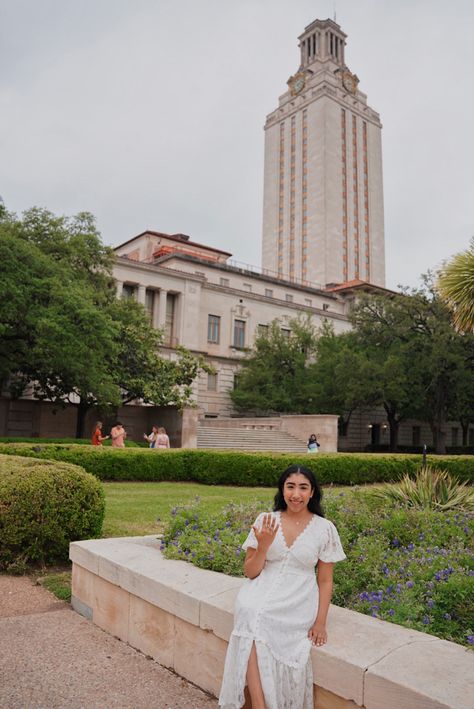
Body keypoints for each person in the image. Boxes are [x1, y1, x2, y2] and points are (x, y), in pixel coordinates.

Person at [218, 464, 345, 709]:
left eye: (303, 487)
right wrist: (263, 546)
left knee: (261, 618)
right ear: (282, 489)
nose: (295, 494)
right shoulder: (265, 521)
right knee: (251, 615)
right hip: (261, 586)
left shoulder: (325, 528)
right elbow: (250, 572)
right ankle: (259, 704)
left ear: (312, 492)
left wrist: (320, 622)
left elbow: (325, 579)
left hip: (299, 595)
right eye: (290, 487)